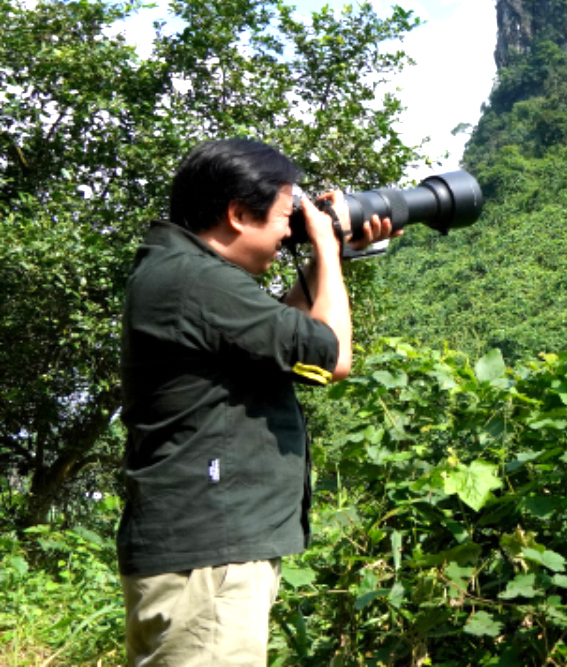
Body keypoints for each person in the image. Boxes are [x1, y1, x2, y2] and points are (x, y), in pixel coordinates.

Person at [116, 139, 396, 666]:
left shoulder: (182, 274)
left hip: (199, 552)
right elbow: (330, 356)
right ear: (238, 214)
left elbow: (282, 339)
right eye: (287, 217)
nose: (288, 233)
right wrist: (329, 252)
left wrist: (325, 259)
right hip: (209, 559)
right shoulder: (195, 281)